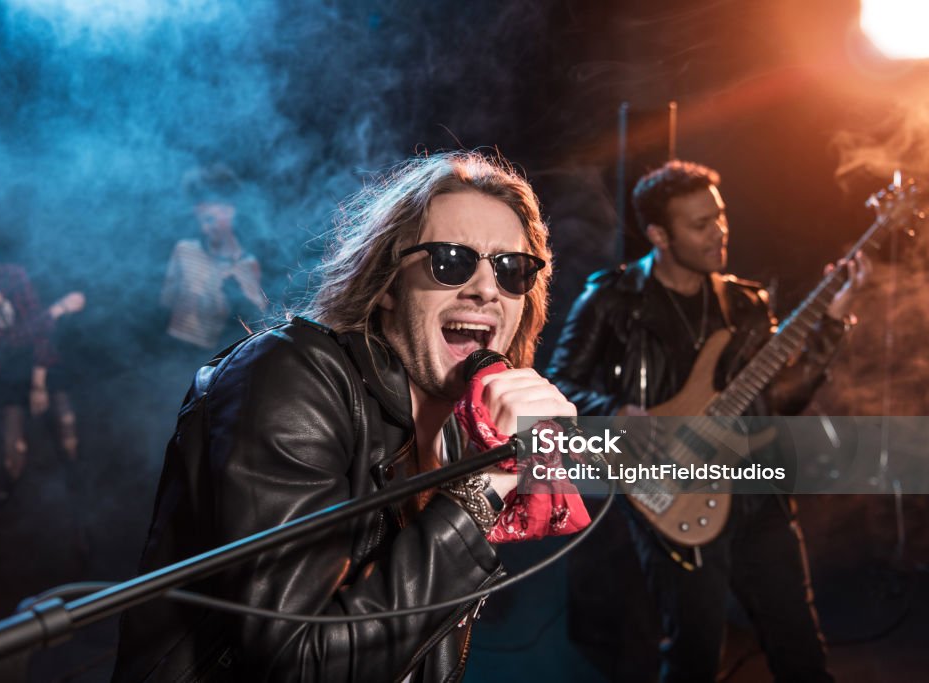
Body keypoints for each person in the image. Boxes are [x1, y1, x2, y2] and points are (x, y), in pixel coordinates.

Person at [113, 151, 576, 682]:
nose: (486, 289)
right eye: (451, 260)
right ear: (386, 284)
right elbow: (300, 661)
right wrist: (480, 492)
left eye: (511, 270)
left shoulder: (458, 432)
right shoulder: (290, 375)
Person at [549, 160, 865, 682]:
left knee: (800, 649)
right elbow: (559, 385)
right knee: (695, 653)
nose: (719, 231)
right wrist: (616, 413)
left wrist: (829, 329)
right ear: (659, 235)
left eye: (719, 216)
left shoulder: (744, 302)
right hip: (673, 493)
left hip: (755, 493)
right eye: (700, 225)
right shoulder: (612, 300)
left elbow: (777, 402)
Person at [0, 236, 87, 564]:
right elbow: (8, 341)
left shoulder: (12, 274)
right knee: (14, 459)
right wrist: (60, 308)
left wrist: (38, 381)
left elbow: (39, 335)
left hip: (42, 368)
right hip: (3, 381)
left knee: (70, 442)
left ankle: (82, 528)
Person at [161, 163, 269, 356]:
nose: (204, 228)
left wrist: (236, 295)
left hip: (212, 356)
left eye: (210, 219)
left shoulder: (248, 264)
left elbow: (258, 321)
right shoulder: (184, 250)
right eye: (201, 220)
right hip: (173, 349)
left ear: (230, 211)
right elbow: (167, 300)